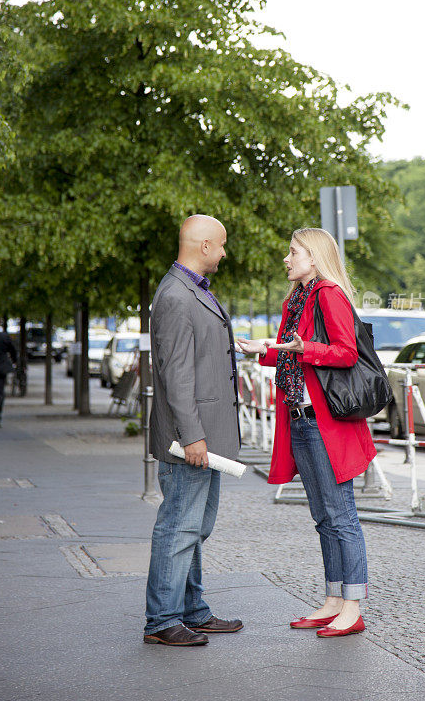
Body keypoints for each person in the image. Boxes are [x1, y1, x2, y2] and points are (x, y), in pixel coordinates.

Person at [237, 228, 376, 638]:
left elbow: (346, 352)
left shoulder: (328, 293)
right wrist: (262, 351)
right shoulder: (297, 298)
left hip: (325, 423)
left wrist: (302, 349)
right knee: (322, 517)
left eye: (293, 251)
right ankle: (334, 600)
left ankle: (352, 607)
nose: (287, 258)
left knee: (341, 516)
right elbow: (292, 353)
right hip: (301, 419)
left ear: (313, 257)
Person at [144, 215, 243, 647]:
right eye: (221, 245)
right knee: (179, 528)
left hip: (203, 435)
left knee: (194, 527)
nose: (224, 252)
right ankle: (162, 621)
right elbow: (176, 375)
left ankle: (192, 611)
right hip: (191, 438)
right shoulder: (176, 296)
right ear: (204, 246)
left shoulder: (189, 291)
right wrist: (192, 437)